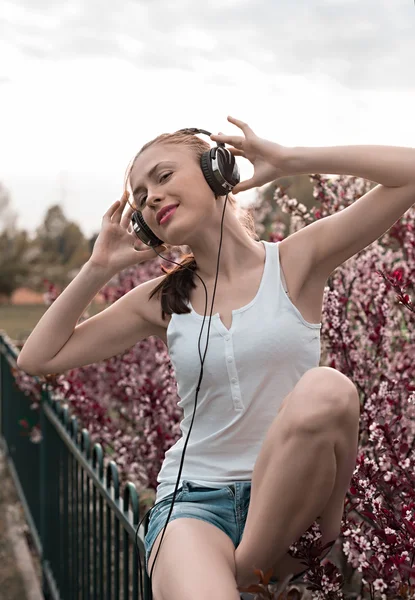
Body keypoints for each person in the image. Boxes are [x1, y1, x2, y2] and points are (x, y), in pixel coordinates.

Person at [23, 113, 415, 600]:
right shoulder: (162, 299)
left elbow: (410, 173)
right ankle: (246, 576)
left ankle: (248, 567)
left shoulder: (295, 261)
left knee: (328, 388)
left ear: (217, 171)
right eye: (141, 197)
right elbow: (36, 359)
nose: (152, 199)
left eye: (163, 177)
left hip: (295, 502)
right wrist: (99, 266)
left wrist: (291, 159)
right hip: (194, 505)